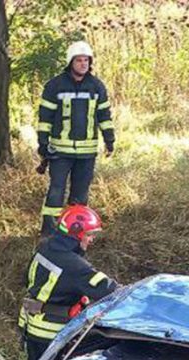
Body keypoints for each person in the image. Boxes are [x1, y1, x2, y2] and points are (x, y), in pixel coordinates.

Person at [18, 204, 118, 360]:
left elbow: (26, 279)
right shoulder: (75, 266)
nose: (91, 240)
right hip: (51, 331)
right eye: (89, 234)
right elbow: (111, 291)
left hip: (31, 323)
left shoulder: (45, 248)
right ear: (76, 232)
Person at [36, 41, 115, 238]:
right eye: (79, 60)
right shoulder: (55, 86)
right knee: (56, 190)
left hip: (87, 152)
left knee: (80, 195)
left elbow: (104, 116)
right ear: (70, 62)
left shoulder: (97, 87)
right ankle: (48, 230)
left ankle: (74, 232)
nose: (83, 64)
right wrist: (43, 144)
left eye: (86, 60)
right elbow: (45, 118)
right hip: (60, 151)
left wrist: (109, 140)